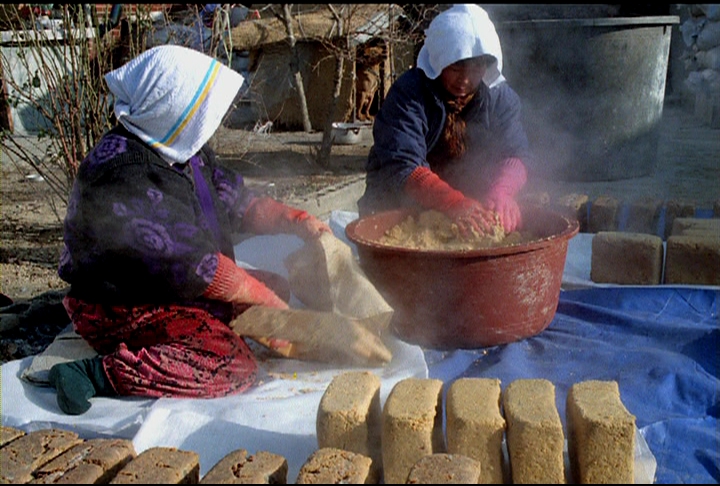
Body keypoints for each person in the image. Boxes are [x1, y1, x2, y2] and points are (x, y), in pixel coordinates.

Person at [48, 44, 331, 415]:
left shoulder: (180, 148)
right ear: (173, 108)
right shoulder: (124, 172)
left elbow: (232, 198)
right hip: (119, 304)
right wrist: (271, 308)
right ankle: (99, 372)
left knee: (275, 288)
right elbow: (197, 265)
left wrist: (294, 220)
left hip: (172, 285)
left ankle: (211, 326)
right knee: (233, 365)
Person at [357, 4, 531, 236]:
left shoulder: (498, 96)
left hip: (467, 206)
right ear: (439, 60)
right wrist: (452, 202)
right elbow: (403, 165)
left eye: (476, 68)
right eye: (457, 67)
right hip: (398, 206)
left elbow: (517, 153)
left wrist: (503, 191)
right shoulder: (409, 94)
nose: (466, 80)